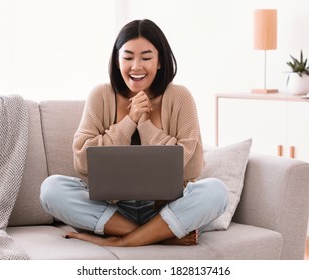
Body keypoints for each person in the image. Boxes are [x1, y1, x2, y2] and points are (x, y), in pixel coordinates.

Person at [40, 19, 228, 247]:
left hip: (167, 208)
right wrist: (129, 120)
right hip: (114, 210)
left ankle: (123, 240)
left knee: (216, 191)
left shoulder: (180, 97)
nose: (136, 66)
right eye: (128, 57)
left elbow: (190, 167)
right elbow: (82, 159)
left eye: (146, 58)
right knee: (51, 189)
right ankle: (156, 235)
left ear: (159, 62)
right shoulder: (100, 95)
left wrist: (145, 123)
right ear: (117, 60)